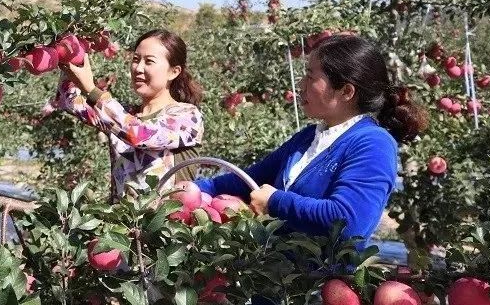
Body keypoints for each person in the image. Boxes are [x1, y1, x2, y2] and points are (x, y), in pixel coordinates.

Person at [195, 34, 427, 246]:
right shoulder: (308, 138)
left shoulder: (373, 144)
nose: (300, 85)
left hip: (319, 288)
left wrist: (275, 202)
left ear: (346, 91)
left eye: (310, 76)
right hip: (274, 281)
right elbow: (246, 180)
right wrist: (192, 190)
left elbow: (348, 223)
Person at [51, 28, 204, 200]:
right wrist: (71, 53)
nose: (138, 68)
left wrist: (91, 90)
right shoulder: (122, 116)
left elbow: (138, 134)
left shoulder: (188, 117)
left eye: (149, 61)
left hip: (164, 226)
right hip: (117, 225)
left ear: (173, 71)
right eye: (136, 59)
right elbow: (69, 101)